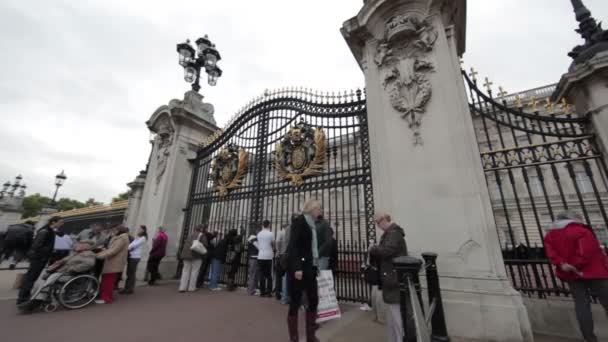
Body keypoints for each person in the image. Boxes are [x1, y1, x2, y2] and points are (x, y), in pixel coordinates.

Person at [544, 210, 608, 342]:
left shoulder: (550, 235)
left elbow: (552, 254)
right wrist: (576, 265)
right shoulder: (582, 231)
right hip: (594, 272)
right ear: (574, 219)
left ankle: (589, 338)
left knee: (582, 306)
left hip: (571, 274)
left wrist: (563, 264)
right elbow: (586, 253)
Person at [286, 200, 322, 342]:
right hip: (300, 269)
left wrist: (315, 264)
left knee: (313, 299)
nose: (320, 211)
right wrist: (297, 268)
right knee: (295, 301)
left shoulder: (313, 225)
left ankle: (310, 336)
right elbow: (293, 246)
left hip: (311, 267)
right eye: (319, 208)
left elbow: (311, 248)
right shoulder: (299, 222)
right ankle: (294, 338)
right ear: (311, 209)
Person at [369, 213, 408, 342]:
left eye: (378, 223)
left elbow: (387, 251)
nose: (378, 226)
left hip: (393, 277)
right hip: (390, 277)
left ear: (385, 220)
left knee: (397, 315)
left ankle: (400, 338)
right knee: (392, 315)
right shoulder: (391, 234)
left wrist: (373, 248)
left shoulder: (393, 233)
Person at [28, 240, 96, 305]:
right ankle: (35, 298)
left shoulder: (88, 254)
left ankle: (38, 299)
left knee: (48, 281)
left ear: (86, 247)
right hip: (62, 272)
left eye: (80, 244)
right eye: (79, 244)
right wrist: (55, 265)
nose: (77, 245)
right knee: (41, 277)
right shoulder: (77, 253)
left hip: (70, 274)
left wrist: (71, 269)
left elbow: (89, 264)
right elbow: (64, 260)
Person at [17, 216, 63, 306]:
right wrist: (48, 250)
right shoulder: (44, 231)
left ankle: (25, 296)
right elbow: (36, 246)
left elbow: (61, 234)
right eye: (61, 222)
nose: (62, 224)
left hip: (42, 257)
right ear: (53, 222)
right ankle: (22, 298)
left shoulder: (50, 230)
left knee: (32, 277)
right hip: (39, 257)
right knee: (31, 277)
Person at [95, 225, 130, 304]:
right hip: (112, 261)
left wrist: (100, 255)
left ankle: (107, 298)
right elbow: (112, 249)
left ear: (118, 230)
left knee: (108, 281)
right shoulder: (119, 238)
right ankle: (105, 296)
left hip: (114, 262)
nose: (112, 231)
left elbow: (114, 250)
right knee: (106, 280)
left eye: (114, 230)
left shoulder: (122, 238)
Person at [121, 225, 148, 294]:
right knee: (129, 272)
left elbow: (134, 245)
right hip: (131, 256)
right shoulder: (138, 237)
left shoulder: (143, 238)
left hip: (135, 257)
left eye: (140, 229)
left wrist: (128, 248)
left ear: (143, 230)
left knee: (131, 273)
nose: (138, 230)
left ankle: (129, 289)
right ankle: (127, 287)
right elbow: (131, 244)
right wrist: (129, 247)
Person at [179, 226, 206, 292]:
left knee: (185, 271)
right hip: (196, 255)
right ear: (201, 229)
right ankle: (191, 287)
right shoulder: (202, 235)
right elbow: (205, 244)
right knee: (194, 271)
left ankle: (182, 287)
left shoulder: (189, 235)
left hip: (186, 255)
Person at [257, 220, 275, 298]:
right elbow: (273, 244)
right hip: (268, 256)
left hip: (260, 255)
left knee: (262, 274)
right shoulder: (270, 233)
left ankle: (262, 292)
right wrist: (273, 248)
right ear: (269, 225)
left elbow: (259, 243)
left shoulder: (259, 234)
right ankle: (269, 292)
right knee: (269, 275)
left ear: (263, 225)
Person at [274, 223, 288, 300]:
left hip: (280, 255)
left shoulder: (280, 232)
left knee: (278, 275)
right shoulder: (288, 232)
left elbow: (277, 241)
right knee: (285, 275)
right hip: (286, 256)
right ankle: (284, 292)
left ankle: (278, 293)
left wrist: (278, 252)